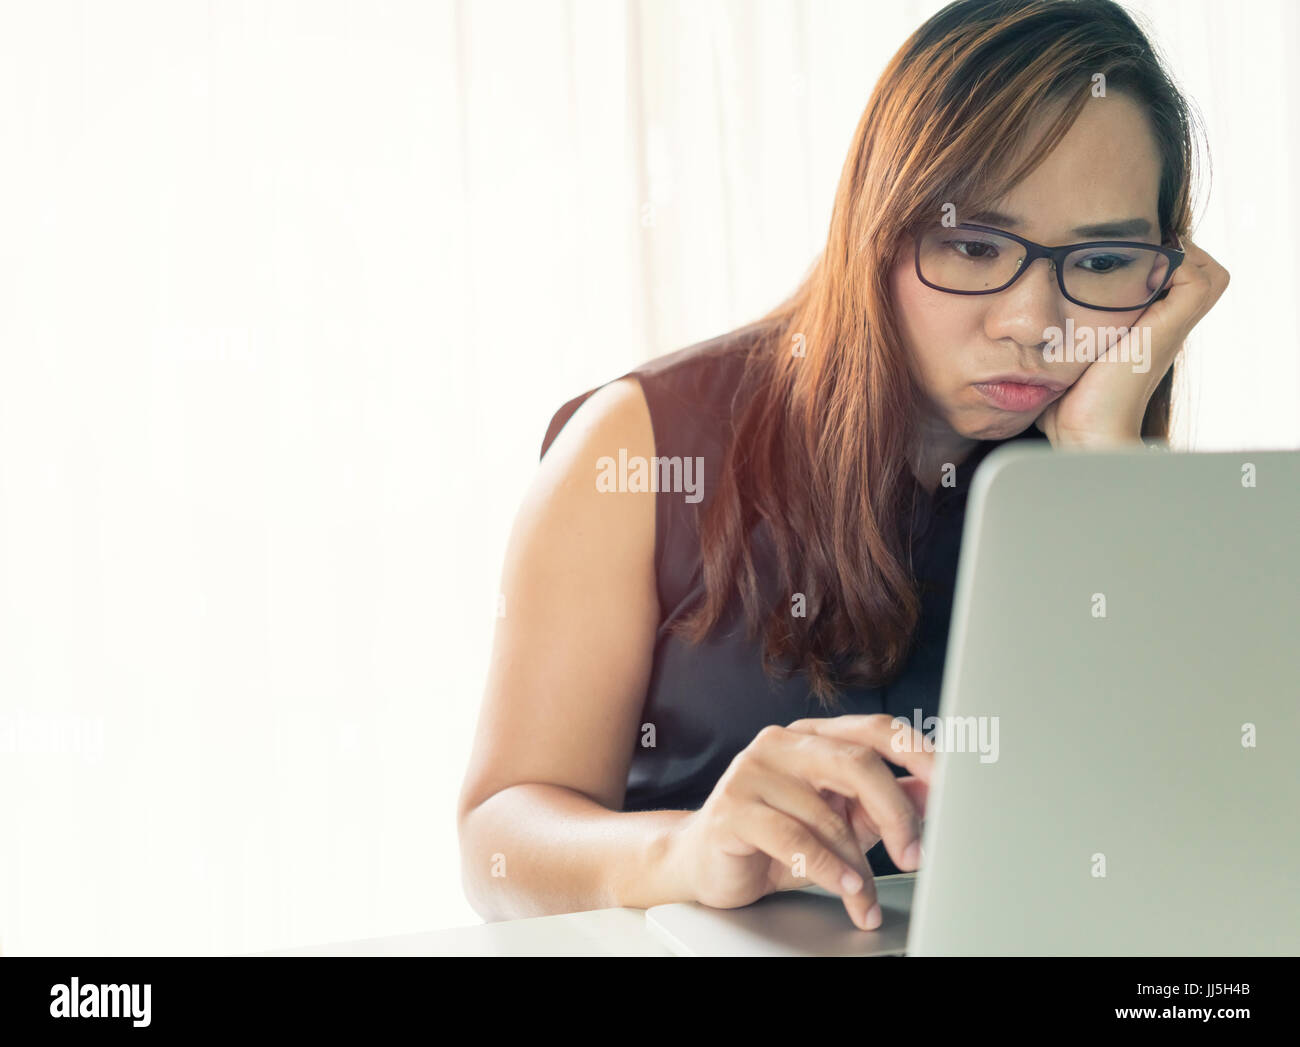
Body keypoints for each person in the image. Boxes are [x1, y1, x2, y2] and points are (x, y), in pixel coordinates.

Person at [458, 0, 1229, 931]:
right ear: (880, 227)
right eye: (975, 245)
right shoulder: (640, 446)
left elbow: (1188, 839)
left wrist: (1105, 464)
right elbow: (498, 839)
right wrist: (686, 849)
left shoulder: (1100, 464)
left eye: (1103, 258)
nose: (1034, 323)